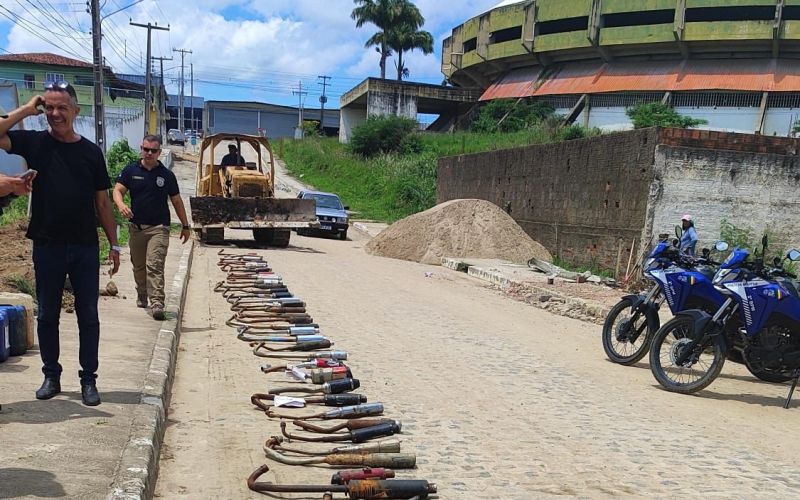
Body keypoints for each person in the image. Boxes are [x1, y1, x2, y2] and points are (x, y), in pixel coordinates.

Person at [0, 82, 120, 407]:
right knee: (47, 314)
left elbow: (103, 203)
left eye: (61, 108)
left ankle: (88, 379)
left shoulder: (91, 152)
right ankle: (51, 375)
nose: (54, 114)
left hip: (84, 246)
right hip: (47, 244)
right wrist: (27, 109)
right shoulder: (34, 142)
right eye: (49, 107)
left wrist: (114, 244)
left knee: (88, 316)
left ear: (75, 111)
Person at [113, 135, 190, 321]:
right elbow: (117, 190)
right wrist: (121, 205)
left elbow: (177, 201)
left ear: (159, 152)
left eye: (153, 151)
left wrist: (186, 225)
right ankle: (142, 293)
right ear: (141, 149)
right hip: (136, 228)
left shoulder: (166, 176)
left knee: (154, 264)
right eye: (146, 149)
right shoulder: (131, 170)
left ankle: (157, 303)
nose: (149, 153)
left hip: (159, 228)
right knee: (138, 265)